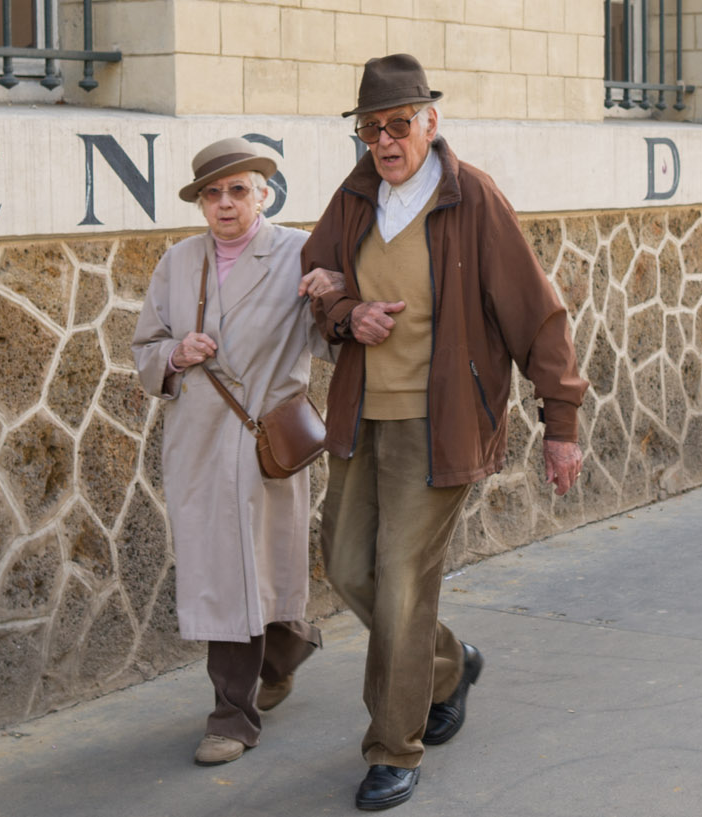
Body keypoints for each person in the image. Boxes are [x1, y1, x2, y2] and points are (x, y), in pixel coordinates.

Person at [297, 54, 589, 810]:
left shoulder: (472, 199)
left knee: (399, 583)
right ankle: (449, 665)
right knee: (349, 566)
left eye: (399, 124)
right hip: (363, 417)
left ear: (431, 121)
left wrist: (562, 422)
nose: (386, 142)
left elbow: (537, 312)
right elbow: (319, 275)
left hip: (442, 424)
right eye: (371, 130)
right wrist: (344, 313)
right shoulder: (356, 196)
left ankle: (394, 746)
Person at [131, 137, 330, 766]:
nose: (224, 204)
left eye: (238, 190)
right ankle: (251, 693)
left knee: (257, 570)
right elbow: (144, 348)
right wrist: (173, 355)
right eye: (211, 194)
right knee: (226, 578)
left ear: (264, 193)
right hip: (198, 440)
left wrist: (338, 295)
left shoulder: (300, 252)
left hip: (263, 440)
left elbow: (335, 336)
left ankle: (242, 703)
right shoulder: (179, 262)